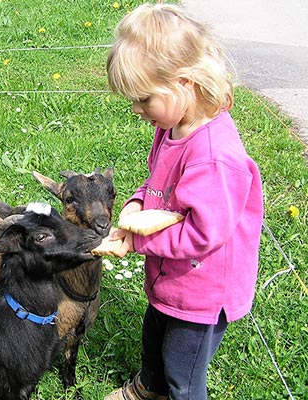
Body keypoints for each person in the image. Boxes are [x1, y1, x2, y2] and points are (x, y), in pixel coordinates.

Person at [103, 3, 264, 400]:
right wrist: (138, 203)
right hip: (172, 277)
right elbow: (160, 184)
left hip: (202, 290)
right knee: (154, 338)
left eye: (143, 98)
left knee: (184, 373)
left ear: (184, 83)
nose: (137, 110)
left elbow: (202, 234)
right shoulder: (173, 126)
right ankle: (149, 387)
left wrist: (138, 241)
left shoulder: (214, 156)